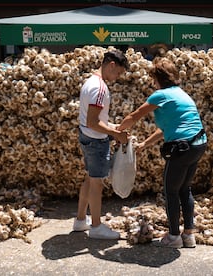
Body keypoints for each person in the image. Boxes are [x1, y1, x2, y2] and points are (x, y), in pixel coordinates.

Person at [117, 58, 207, 248]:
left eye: (153, 79)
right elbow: (165, 129)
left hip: (182, 147)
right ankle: (188, 235)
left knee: (171, 190)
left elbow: (134, 116)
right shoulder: (181, 94)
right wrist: (144, 145)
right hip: (198, 143)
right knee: (185, 189)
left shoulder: (160, 95)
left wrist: (117, 132)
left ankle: (173, 237)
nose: (152, 83)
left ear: (158, 78)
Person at [73, 50, 129, 239]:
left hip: (86, 137)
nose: (117, 78)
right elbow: (93, 121)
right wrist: (115, 134)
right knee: (97, 183)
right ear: (111, 65)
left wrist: (114, 128)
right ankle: (96, 227)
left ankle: (81, 220)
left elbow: (91, 121)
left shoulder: (90, 82)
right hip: (96, 141)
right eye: (118, 73)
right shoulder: (100, 89)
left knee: (89, 178)